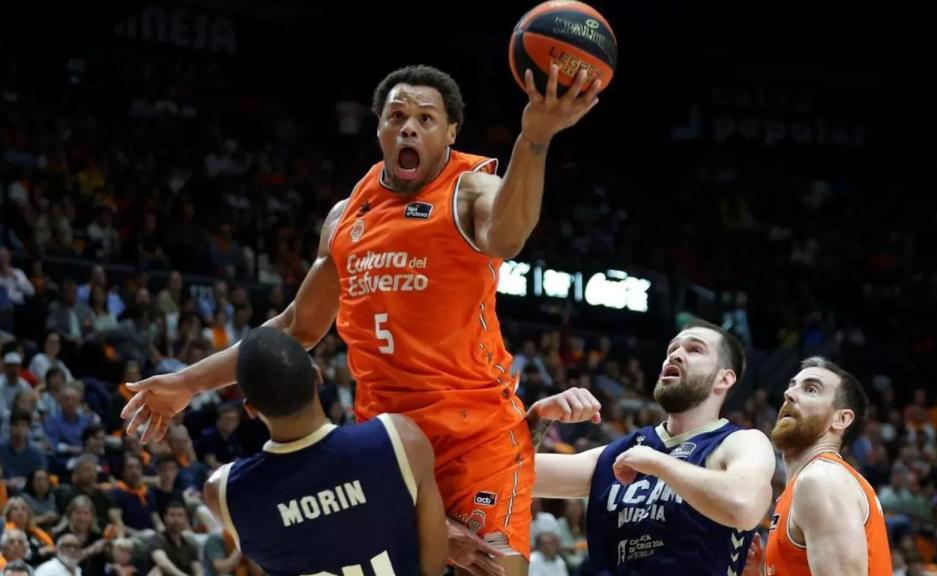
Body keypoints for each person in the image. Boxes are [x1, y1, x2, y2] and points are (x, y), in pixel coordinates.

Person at [124, 62, 602, 574]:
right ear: (379, 129)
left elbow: (507, 237)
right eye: (397, 116)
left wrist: (535, 138)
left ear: (451, 132)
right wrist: (186, 383)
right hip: (384, 445)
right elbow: (296, 328)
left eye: (425, 118)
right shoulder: (347, 216)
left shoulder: (471, 191)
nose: (409, 127)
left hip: (476, 437)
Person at [532, 320, 776, 575]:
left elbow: (743, 505)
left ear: (724, 378)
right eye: (672, 349)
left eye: (695, 349)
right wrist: (538, 419)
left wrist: (657, 463)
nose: (676, 354)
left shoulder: (741, 442)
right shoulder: (622, 453)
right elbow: (514, 477)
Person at [202, 326, 448, 576]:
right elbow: (434, 566)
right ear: (317, 376)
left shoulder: (224, 493)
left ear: (251, 409)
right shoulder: (400, 438)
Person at [763, 357, 893, 575]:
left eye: (811, 389)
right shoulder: (817, 480)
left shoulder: (822, 479)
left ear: (841, 419)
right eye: (792, 385)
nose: (789, 394)